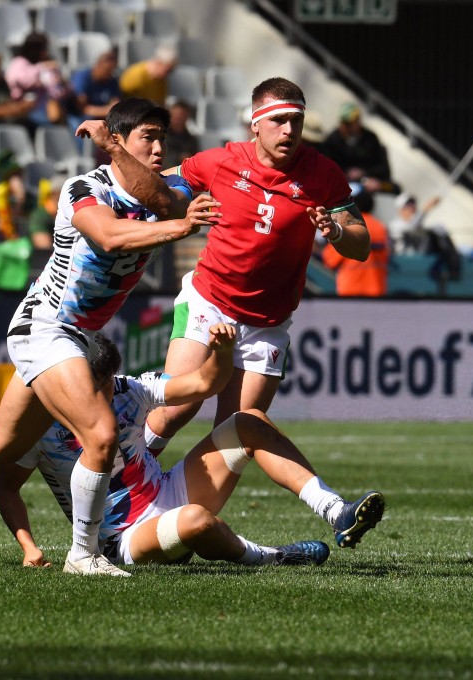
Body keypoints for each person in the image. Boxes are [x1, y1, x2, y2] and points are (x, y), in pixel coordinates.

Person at [0, 98, 218, 576]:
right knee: (99, 435)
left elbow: (165, 200)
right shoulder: (83, 188)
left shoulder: (164, 190)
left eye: (163, 138)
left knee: (0, 444)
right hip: (47, 328)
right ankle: (84, 555)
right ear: (117, 143)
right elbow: (112, 237)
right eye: (148, 138)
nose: (160, 148)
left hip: (76, 337)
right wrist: (180, 222)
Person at [0, 330, 382, 570]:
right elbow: (7, 487)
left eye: (113, 380)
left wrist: (223, 351)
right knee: (196, 520)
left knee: (247, 420)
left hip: (167, 489)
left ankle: (335, 511)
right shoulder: (40, 426)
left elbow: (201, 382)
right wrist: (29, 547)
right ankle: (274, 556)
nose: (113, 390)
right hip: (120, 539)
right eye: (102, 383)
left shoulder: (130, 389)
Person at [142, 78, 373, 477]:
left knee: (233, 437)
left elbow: (361, 243)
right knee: (175, 409)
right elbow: (167, 183)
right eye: (279, 120)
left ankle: (176, 516)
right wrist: (178, 204)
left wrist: (335, 232)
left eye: (296, 121)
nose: (289, 131)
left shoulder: (323, 175)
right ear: (256, 124)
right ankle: (117, 480)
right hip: (209, 301)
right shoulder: (219, 162)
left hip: (267, 323)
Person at [322, 186, 390, 297]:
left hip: (351, 290)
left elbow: (330, 260)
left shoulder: (352, 225)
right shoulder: (380, 226)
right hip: (378, 290)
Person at [320, 102, 394, 193]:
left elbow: (382, 167)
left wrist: (364, 173)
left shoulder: (370, 138)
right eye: (344, 123)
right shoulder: (333, 139)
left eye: (350, 123)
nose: (346, 127)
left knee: (393, 188)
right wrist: (346, 173)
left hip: (367, 180)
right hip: (342, 181)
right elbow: (328, 166)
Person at [5, 32, 71, 128]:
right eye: (44, 49)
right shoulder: (19, 62)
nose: (46, 52)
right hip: (26, 109)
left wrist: (62, 83)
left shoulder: (46, 65)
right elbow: (19, 79)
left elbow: (57, 91)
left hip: (49, 107)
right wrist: (42, 67)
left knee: (77, 124)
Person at [68, 49, 122, 133]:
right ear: (99, 65)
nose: (110, 74)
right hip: (79, 117)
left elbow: (115, 104)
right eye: (107, 70)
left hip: (102, 117)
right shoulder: (82, 78)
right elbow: (81, 108)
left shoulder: (112, 81)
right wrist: (105, 111)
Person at [164, 100, 199, 168]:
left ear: (187, 117)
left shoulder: (191, 140)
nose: (177, 118)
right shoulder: (161, 136)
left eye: (181, 116)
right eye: (175, 115)